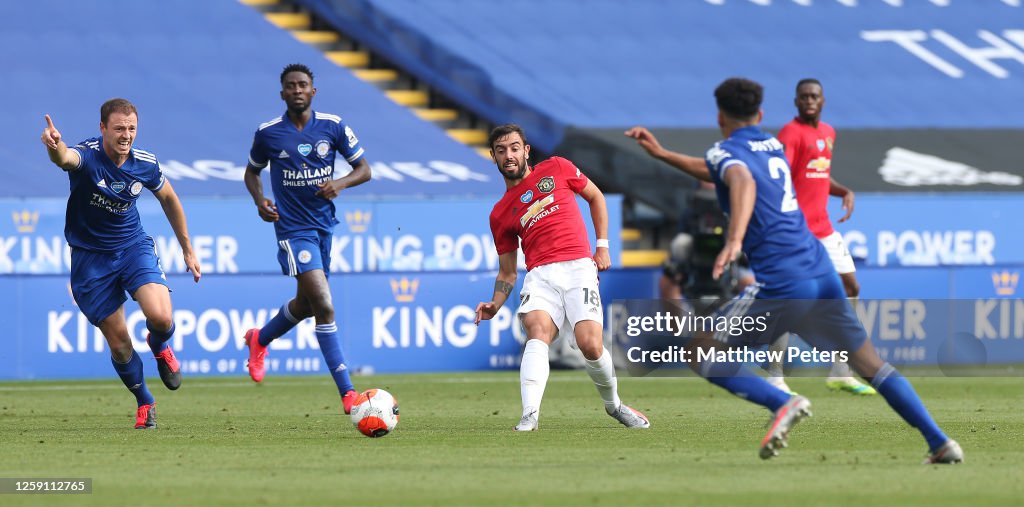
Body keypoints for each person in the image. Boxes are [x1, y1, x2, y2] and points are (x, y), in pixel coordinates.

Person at [625, 78, 961, 463]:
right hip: (821, 270)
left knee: (700, 349)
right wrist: (663, 154)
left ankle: (782, 402)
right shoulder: (770, 145)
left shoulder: (727, 153)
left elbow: (740, 180)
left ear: (720, 116)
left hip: (784, 280)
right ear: (760, 114)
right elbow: (717, 170)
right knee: (871, 364)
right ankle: (940, 442)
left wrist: (734, 239)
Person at [473, 124, 649, 431]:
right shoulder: (500, 214)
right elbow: (508, 271)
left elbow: (596, 197)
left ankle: (614, 406)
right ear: (493, 157)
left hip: (579, 267)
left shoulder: (557, 167)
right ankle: (530, 415)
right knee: (537, 331)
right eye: (501, 151)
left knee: (590, 345)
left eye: (514, 148)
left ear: (526, 150)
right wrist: (495, 303)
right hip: (540, 275)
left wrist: (603, 247)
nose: (509, 155)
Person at [41, 99, 201, 429]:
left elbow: (169, 197)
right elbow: (66, 158)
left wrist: (188, 249)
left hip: (131, 246)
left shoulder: (145, 163)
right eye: (118, 129)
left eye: (131, 129)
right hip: (90, 258)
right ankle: (145, 400)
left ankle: (159, 346)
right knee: (119, 342)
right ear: (102, 129)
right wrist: (56, 147)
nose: (125, 135)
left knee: (160, 316)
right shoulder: (87, 156)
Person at [242, 63, 371, 415]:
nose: (297, 90)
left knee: (306, 304)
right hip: (292, 230)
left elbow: (365, 169)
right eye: (291, 86)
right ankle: (348, 392)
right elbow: (251, 173)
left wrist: (339, 183)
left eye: (303, 85)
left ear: (313, 91)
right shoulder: (268, 133)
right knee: (325, 305)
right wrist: (259, 201)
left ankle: (259, 338)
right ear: (282, 93)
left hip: (324, 227)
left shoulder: (333, 126)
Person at [764, 78, 874, 396]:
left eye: (815, 96)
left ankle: (840, 370)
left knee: (851, 286)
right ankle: (775, 375)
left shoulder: (828, 132)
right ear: (796, 101)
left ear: (823, 100)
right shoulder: (791, 134)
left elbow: (819, 175)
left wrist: (843, 190)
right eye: (804, 97)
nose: (810, 100)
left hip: (824, 227)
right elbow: (780, 176)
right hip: (797, 231)